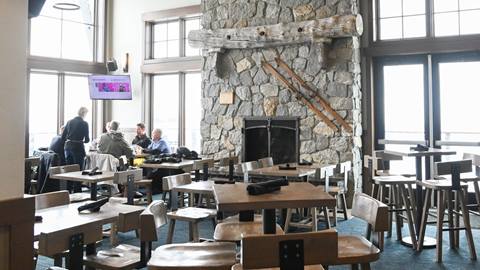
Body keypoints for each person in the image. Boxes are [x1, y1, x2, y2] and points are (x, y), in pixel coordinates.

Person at [62, 107, 90, 192]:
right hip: (78, 147)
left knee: (69, 169)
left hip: (67, 147)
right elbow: (87, 139)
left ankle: (68, 190)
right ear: (84, 114)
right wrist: (83, 141)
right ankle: (77, 190)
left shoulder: (69, 122)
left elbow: (63, 137)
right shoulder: (84, 123)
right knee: (78, 169)